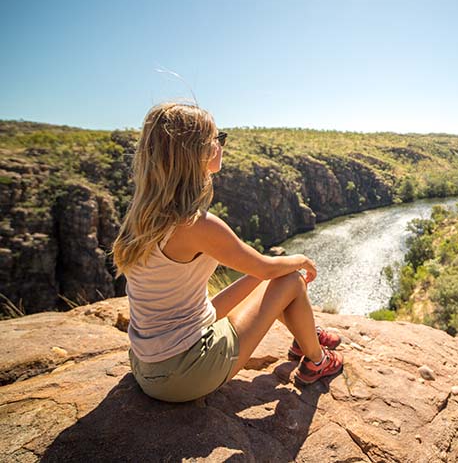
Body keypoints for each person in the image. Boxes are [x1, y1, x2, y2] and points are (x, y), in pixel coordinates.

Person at [112, 102, 343, 403]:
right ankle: (316, 361)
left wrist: (272, 270)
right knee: (291, 279)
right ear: (195, 152)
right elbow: (268, 269)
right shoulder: (196, 225)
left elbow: (260, 274)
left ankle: (305, 334)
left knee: (267, 279)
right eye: (216, 138)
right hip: (182, 373)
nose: (220, 144)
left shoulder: (143, 213)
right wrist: (302, 260)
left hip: (147, 364)